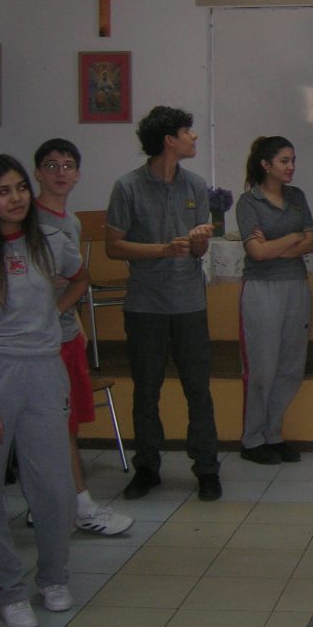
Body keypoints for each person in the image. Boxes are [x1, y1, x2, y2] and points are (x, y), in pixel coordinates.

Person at [0, 155, 88, 627]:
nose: (16, 198)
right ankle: (7, 588)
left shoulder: (51, 241)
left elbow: (80, 278)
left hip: (44, 372)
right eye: (3, 191)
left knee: (54, 489)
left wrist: (56, 311)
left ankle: (53, 576)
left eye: (20, 188)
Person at [106, 105, 221, 502]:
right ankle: (147, 468)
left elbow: (197, 250)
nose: (194, 138)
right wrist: (160, 250)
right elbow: (113, 246)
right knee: (146, 390)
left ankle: (207, 467)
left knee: (198, 389)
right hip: (145, 306)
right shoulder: (127, 187)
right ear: (168, 140)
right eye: (188, 132)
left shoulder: (196, 186)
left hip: (189, 302)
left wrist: (200, 241)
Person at [32, 138, 133, 535]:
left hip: (66, 333)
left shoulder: (70, 223)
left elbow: (75, 281)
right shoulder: (28, 220)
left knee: (66, 423)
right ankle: (79, 506)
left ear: (77, 174)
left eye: (68, 165)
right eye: (52, 165)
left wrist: (77, 324)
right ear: (38, 172)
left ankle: (50, 501)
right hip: (39, 341)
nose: (60, 173)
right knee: (56, 425)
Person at [235, 135, 313, 465]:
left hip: (295, 285)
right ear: (265, 165)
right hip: (261, 289)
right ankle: (252, 439)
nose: (291, 167)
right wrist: (292, 237)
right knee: (263, 369)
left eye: (293, 160)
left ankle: (273, 434)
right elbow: (256, 252)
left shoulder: (297, 197)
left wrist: (278, 244)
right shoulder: (248, 202)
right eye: (284, 161)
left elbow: (310, 242)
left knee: (291, 366)